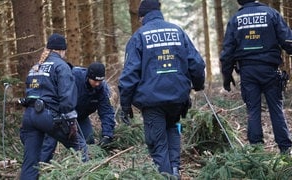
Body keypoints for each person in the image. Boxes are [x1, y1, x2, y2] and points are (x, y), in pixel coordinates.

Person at [118, 0, 205, 178]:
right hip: (177, 99)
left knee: (157, 142)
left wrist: (125, 105)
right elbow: (196, 63)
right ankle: (174, 171)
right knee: (172, 128)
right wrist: (197, 85)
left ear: (142, 16)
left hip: (152, 101)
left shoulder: (139, 36)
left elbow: (129, 75)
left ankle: (165, 175)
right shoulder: (178, 31)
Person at [220, 0, 292, 154]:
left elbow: (227, 52)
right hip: (270, 70)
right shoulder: (271, 14)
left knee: (253, 110)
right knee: (276, 109)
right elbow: (288, 40)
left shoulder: (235, 19)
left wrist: (226, 75)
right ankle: (286, 150)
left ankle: (256, 151)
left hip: (248, 72)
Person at [19, 33, 88, 179]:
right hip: (48, 115)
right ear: (62, 50)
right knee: (80, 146)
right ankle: (88, 175)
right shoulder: (61, 66)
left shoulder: (35, 67)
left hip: (29, 116)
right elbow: (66, 96)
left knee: (30, 162)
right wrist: (69, 121)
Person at [40, 61, 116, 163]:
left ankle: (88, 167)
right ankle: (41, 165)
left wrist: (107, 134)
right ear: (88, 76)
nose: (97, 84)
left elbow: (106, 111)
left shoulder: (102, 88)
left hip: (81, 117)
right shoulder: (73, 77)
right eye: (95, 81)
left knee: (88, 141)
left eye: (100, 81)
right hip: (60, 115)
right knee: (49, 142)